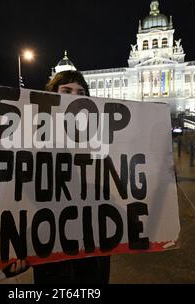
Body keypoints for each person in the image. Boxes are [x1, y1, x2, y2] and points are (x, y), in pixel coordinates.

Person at [32, 70, 111, 284]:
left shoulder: (104, 138)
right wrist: (13, 253)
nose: (74, 97)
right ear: (52, 95)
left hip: (92, 248)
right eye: (66, 91)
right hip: (53, 252)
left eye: (80, 92)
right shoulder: (33, 140)